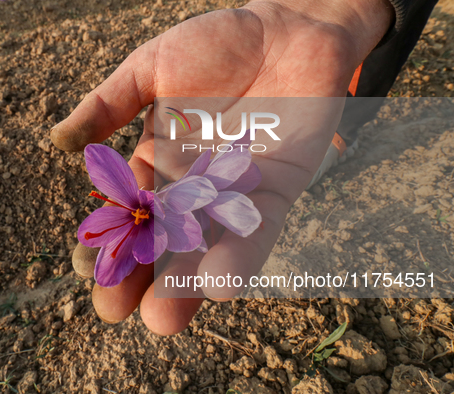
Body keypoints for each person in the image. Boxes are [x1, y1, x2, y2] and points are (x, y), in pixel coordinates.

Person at [50, 0, 437, 335]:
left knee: (352, 78)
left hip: (358, 34)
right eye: (140, 211)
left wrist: (319, 12)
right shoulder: (151, 212)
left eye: (140, 209)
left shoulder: (149, 207)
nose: (138, 211)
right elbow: (177, 225)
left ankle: (339, 132)